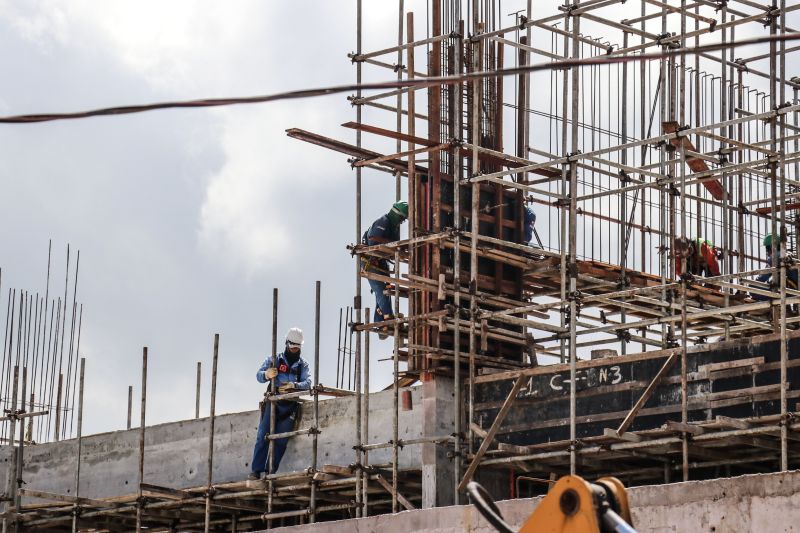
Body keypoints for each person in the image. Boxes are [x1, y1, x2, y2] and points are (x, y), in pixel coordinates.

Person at [249, 327, 312, 480]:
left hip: (290, 405)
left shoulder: (302, 365)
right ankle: (256, 471)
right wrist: (266, 374)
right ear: (287, 343)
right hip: (274, 402)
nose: (295, 349)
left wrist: (294, 385)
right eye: (293, 345)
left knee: (281, 441)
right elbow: (258, 375)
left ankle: (270, 472)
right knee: (263, 436)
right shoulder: (274, 360)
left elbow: (308, 382)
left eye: (298, 346)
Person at [361, 201, 408, 336]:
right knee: (381, 290)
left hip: (381, 261)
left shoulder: (394, 227)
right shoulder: (383, 221)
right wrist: (392, 245)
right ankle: (387, 319)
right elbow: (373, 239)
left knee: (386, 290)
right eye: (401, 218)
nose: (402, 221)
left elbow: (395, 245)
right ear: (396, 214)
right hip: (370, 261)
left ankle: (381, 322)